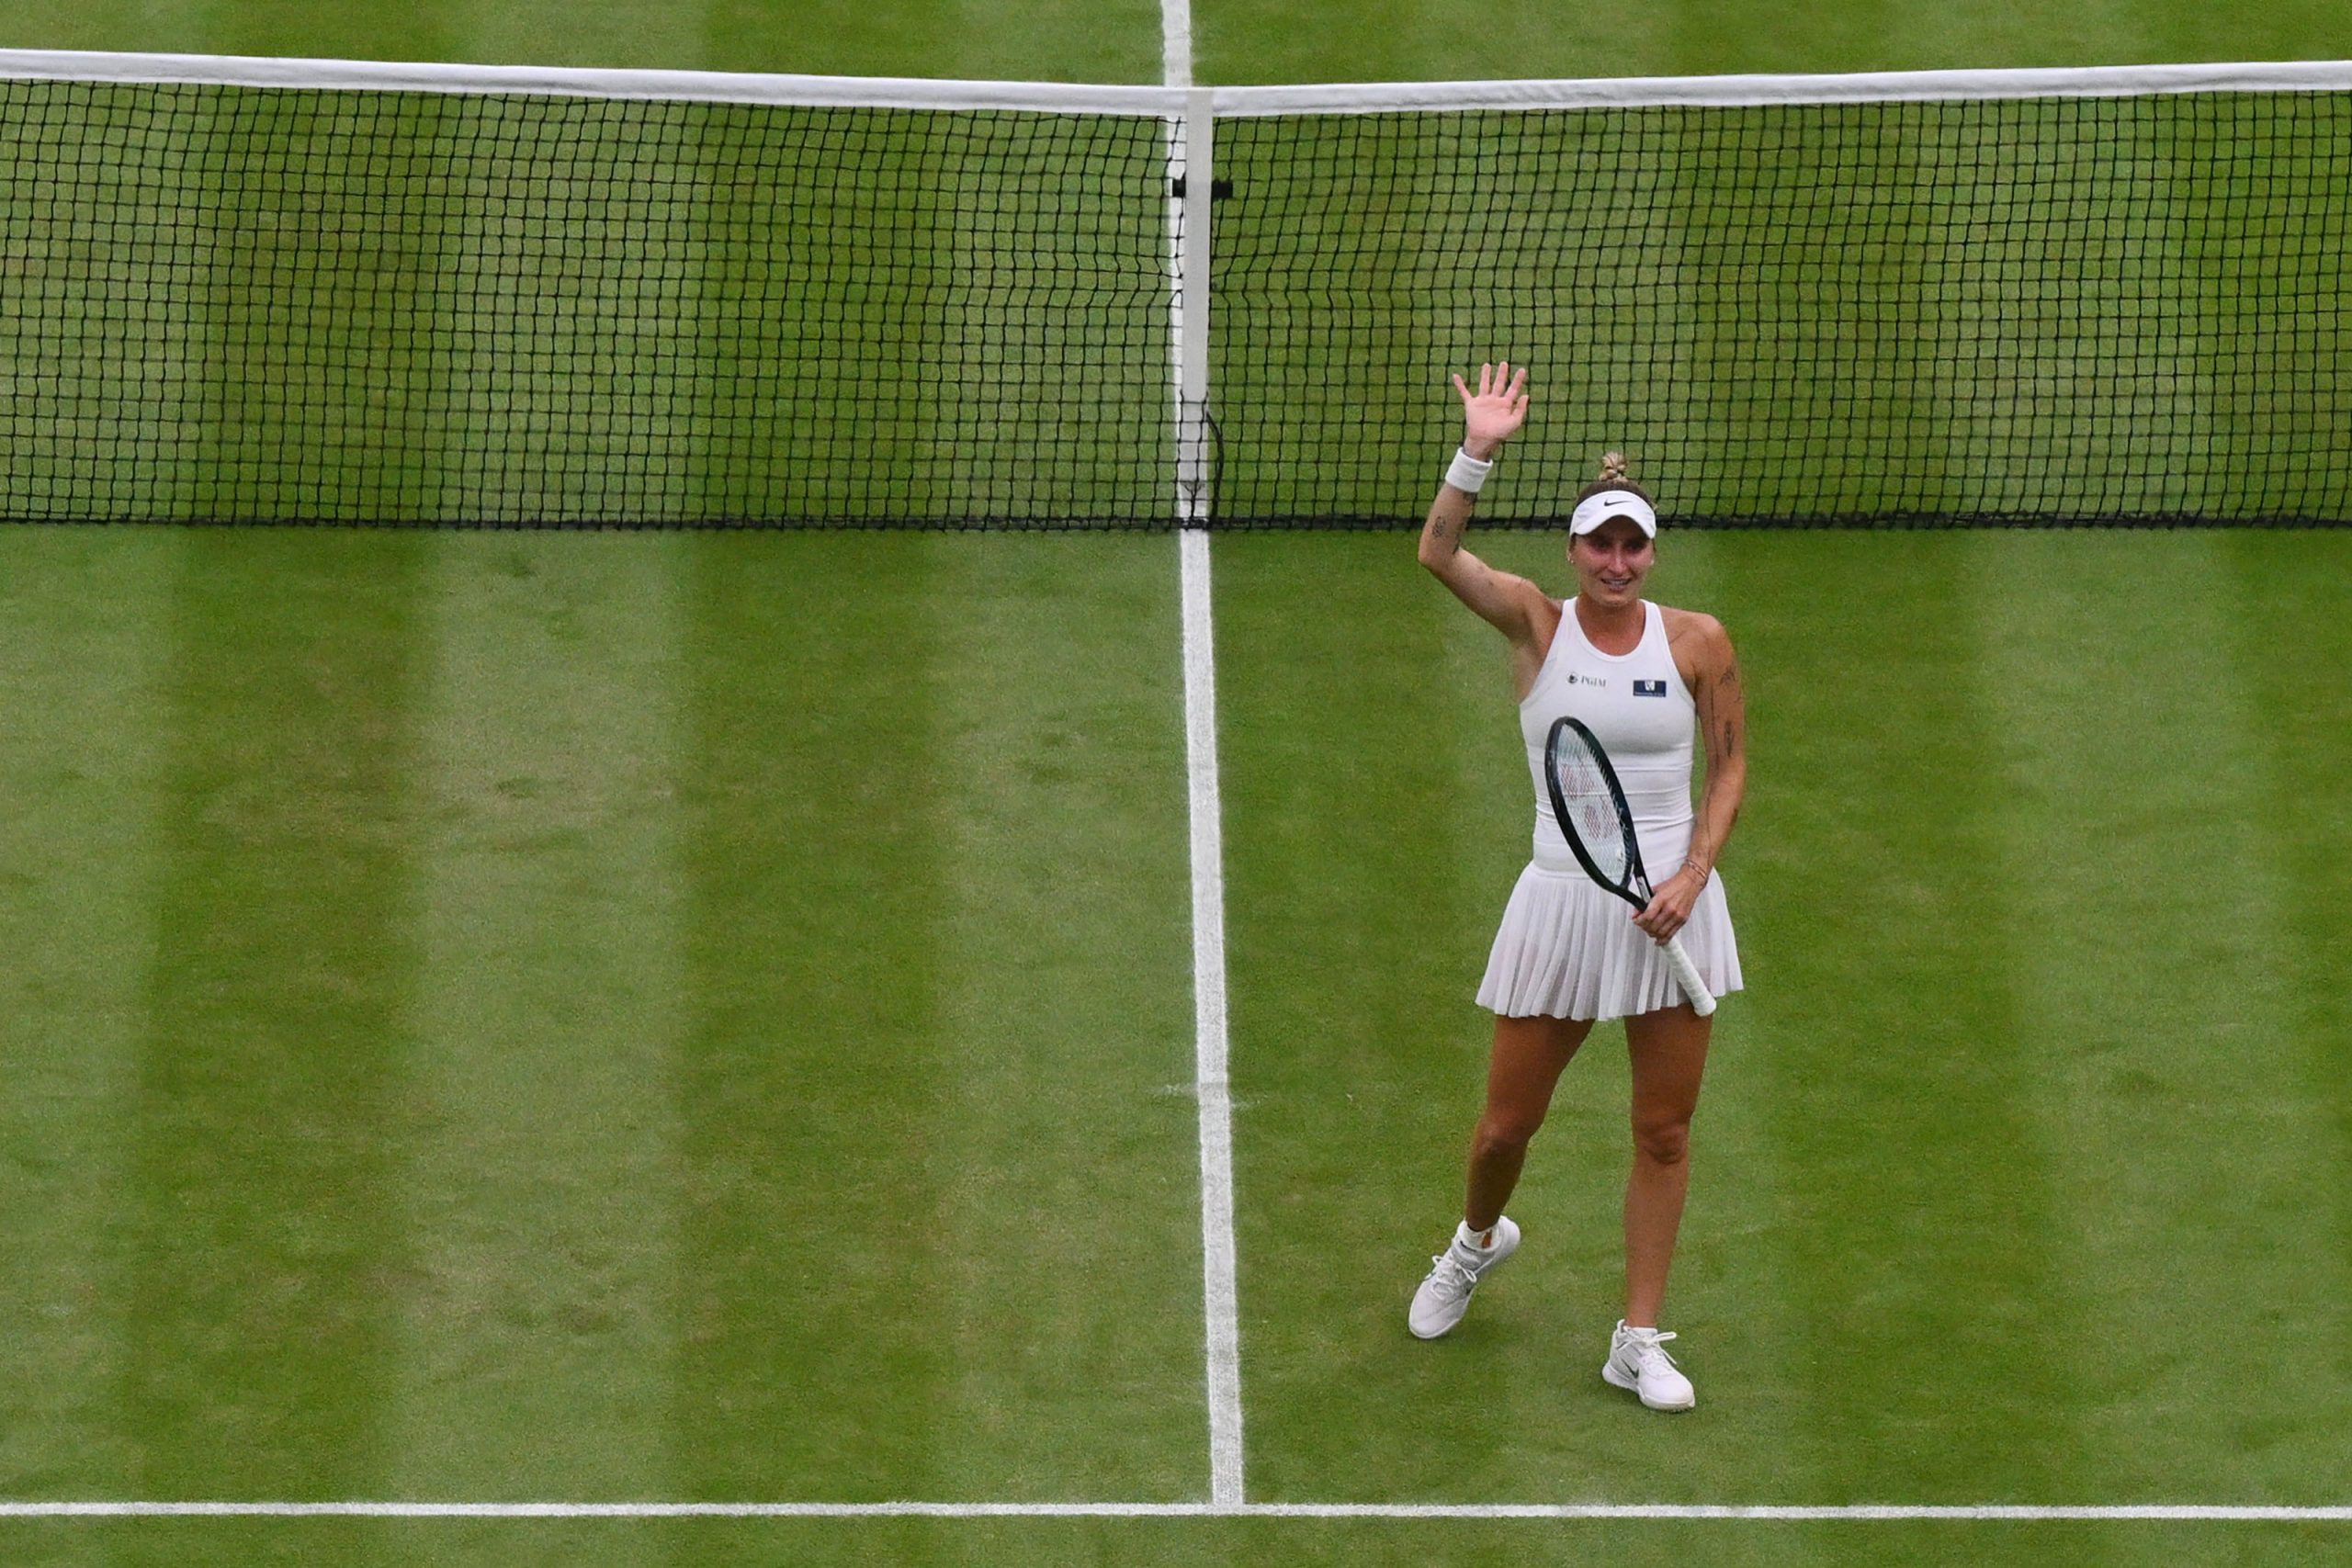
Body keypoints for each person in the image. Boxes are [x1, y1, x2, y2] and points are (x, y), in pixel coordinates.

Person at [1408, 361, 1747, 1412]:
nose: (1614, 560)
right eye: (1598, 542)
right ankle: (1473, 1243)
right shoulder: (1532, 624)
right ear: (1572, 550)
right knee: (1506, 1127)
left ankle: (1634, 1338)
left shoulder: (1698, 642)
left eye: (1630, 543)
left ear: (1650, 551)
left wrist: (1694, 872)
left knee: (1663, 1132)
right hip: (1563, 902)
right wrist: (1479, 448)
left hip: (1673, 910)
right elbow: (1437, 551)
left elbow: (1729, 763)